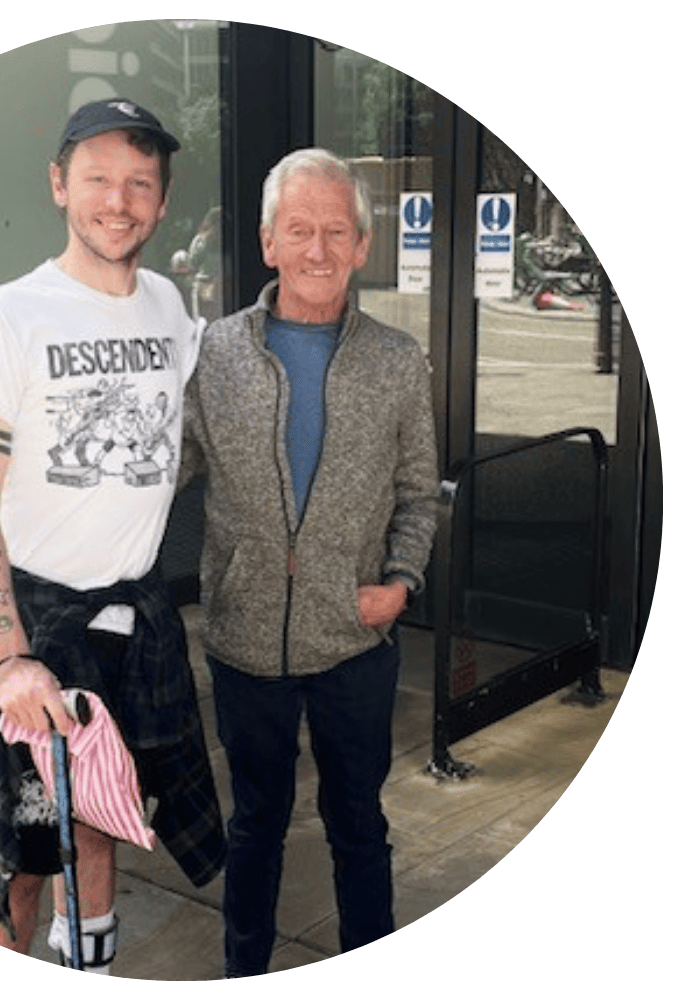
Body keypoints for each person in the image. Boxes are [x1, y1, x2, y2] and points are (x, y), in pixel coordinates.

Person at [0, 98, 225, 974]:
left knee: (103, 813)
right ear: (60, 185)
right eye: (97, 177)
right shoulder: (10, 315)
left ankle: (89, 971)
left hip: (131, 622)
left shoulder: (169, 307)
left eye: (140, 182)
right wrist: (10, 656)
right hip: (34, 624)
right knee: (14, 872)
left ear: (163, 200)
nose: (118, 199)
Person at [181, 148, 438, 977]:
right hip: (245, 640)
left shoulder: (397, 361)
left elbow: (417, 491)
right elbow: (158, 469)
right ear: (267, 241)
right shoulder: (215, 353)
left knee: (358, 821)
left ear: (363, 246)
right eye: (300, 229)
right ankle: (243, 971)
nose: (318, 249)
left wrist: (398, 585)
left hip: (355, 642)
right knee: (254, 825)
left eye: (337, 231)